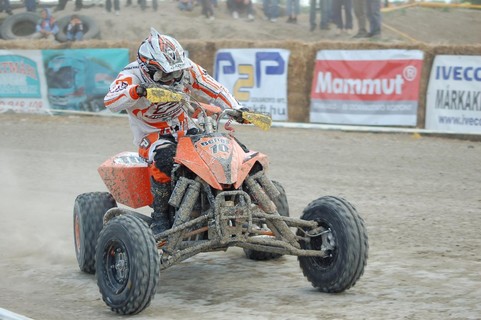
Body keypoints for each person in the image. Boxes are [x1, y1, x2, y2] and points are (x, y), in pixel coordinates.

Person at [104, 28, 248, 234]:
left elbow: (215, 89)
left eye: (176, 73)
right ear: (148, 69)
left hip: (185, 128)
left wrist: (237, 107)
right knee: (165, 159)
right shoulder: (130, 75)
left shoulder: (187, 69)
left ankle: (245, 203)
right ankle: (161, 216)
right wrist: (137, 91)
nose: (173, 79)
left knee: (233, 150)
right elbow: (111, 100)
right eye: (165, 74)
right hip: (152, 135)